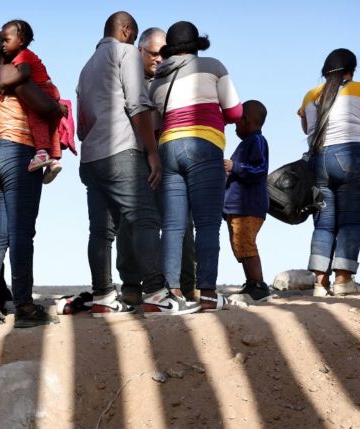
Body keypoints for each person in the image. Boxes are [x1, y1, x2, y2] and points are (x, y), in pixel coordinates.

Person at [77, 12, 199, 316]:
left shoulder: (87, 66)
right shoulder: (125, 52)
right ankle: (157, 293)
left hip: (92, 155)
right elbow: (137, 105)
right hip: (122, 152)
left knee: (101, 232)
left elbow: (81, 124)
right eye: (133, 35)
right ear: (127, 30)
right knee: (145, 219)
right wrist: (152, 152)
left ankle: (103, 296)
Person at [149, 21, 243, 311]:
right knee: (206, 224)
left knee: (174, 226)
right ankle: (207, 295)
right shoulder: (213, 65)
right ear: (196, 45)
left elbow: (154, 124)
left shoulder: (157, 80)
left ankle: (170, 295)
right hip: (203, 144)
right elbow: (236, 112)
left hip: (168, 148)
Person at [0, 25, 63, 329]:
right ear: (2, 48)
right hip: (17, 150)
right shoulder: (8, 73)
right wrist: (57, 107)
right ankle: (24, 305)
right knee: (22, 231)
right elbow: (44, 106)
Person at [115, 27, 198, 302]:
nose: (159, 60)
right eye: (153, 54)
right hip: (136, 160)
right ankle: (131, 285)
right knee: (130, 222)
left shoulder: (174, 78)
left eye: (163, 54)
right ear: (139, 50)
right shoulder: (126, 78)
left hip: (170, 161)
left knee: (182, 222)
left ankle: (185, 286)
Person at [298, 48, 360, 296]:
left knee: (323, 225)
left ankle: (319, 283)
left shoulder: (310, 96)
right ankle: (344, 280)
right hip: (354, 156)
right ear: (352, 70)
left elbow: (307, 129)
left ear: (325, 71)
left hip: (318, 160)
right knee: (351, 221)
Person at [0, 19, 66, 184]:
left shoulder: (22, 56)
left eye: (6, 40)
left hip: (43, 90)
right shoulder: (24, 55)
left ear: (20, 40)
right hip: (50, 89)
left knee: (36, 120)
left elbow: (24, 75)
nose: (3, 45)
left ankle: (41, 153)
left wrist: (6, 83)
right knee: (51, 126)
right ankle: (54, 160)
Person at [223, 100, 272, 303]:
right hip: (236, 208)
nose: (235, 127)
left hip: (248, 207)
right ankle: (251, 283)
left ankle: (259, 285)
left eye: (237, 123)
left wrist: (234, 166)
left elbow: (259, 170)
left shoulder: (257, 141)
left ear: (246, 120)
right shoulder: (246, 144)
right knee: (239, 245)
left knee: (246, 244)